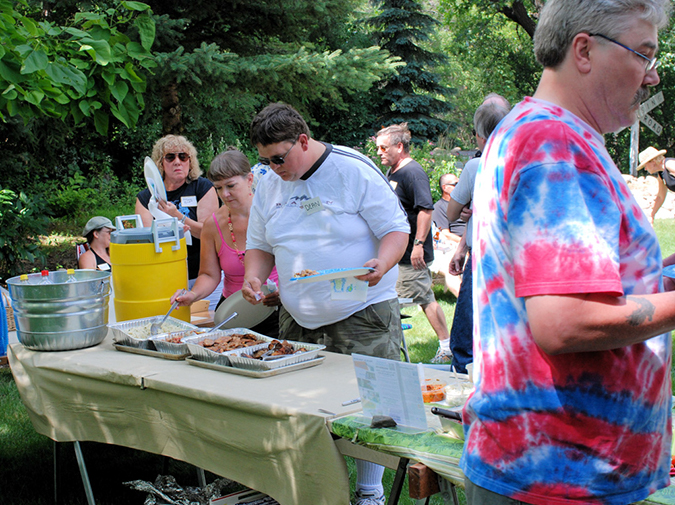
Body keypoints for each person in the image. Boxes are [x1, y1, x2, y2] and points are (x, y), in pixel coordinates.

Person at [462, 1, 673, 504]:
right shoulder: (555, 143)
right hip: (560, 477)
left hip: (550, 468)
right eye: (644, 54)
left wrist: (657, 274)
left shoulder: (534, 129)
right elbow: (564, 323)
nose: (652, 76)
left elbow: (566, 281)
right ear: (584, 50)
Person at [242, 102, 410, 505]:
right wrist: (254, 276)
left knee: (375, 405)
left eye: (278, 158)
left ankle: (369, 491)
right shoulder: (269, 182)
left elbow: (395, 229)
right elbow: (260, 245)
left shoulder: (352, 169)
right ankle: (309, 488)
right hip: (297, 317)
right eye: (264, 160)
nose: (272, 168)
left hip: (362, 309)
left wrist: (383, 262)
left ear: (303, 140)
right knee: (304, 406)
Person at [172, 149, 281, 337]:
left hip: (274, 309)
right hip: (233, 312)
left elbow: (299, 265)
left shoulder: (273, 214)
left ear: (249, 179)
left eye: (231, 185)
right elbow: (209, 274)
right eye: (219, 188)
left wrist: (285, 293)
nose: (225, 194)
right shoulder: (212, 225)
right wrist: (193, 295)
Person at [376, 123, 451, 364]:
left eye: (383, 148)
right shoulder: (394, 172)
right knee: (416, 297)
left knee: (423, 298)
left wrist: (418, 245)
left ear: (399, 147)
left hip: (412, 253)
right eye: (377, 148)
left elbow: (425, 210)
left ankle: (447, 346)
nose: (379, 152)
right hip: (398, 252)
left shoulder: (413, 172)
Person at [445, 100, 510, 374]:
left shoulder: (475, 166)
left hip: (484, 258)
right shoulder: (524, 162)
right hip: (515, 258)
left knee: (466, 333)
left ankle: (464, 380)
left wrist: (464, 207)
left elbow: (451, 212)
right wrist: (462, 246)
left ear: (480, 136)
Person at [135, 135, 220, 305]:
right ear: (160, 163)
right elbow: (146, 241)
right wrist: (173, 231)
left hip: (204, 276)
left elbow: (210, 233)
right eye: (170, 157)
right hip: (165, 275)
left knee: (208, 319)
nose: (177, 162)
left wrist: (179, 217)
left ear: (190, 161)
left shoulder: (202, 187)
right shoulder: (146, 198)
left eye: (183, 157)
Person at [430, 173, 465, 297]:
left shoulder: (464, 204)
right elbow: (446, 234)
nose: (460, 186)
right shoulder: (439, 208)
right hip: (454, 245)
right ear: (445, 188)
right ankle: (466, 301)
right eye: (456, 184)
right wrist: (466, 242)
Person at [637, 145, 675, 223]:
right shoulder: (661, 175)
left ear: (653, 161)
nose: (645, 169)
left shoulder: (669, 164)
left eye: (645, 165)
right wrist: (652, 215)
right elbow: (660, 197)